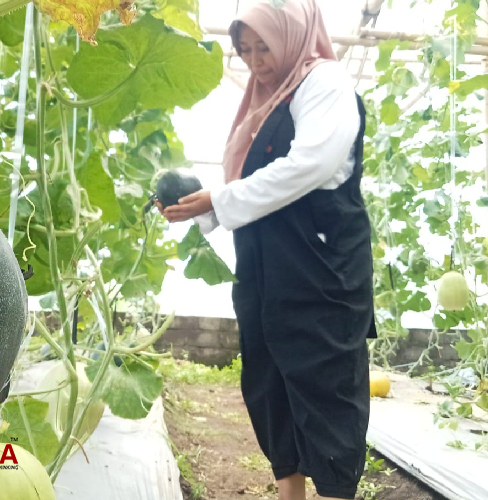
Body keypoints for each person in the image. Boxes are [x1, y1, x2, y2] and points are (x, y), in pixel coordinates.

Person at [157, 1, 378, 499]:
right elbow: (252, 184)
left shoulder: (325, 84)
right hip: (266, 264)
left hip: (320, 267)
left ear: (293, 36)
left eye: (265, 47)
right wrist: (203, 208)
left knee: (325, 386)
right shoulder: (267, 98)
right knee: (269, 378)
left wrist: (220, 199)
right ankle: (289, 494)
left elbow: (310, 166)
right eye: (246, 50)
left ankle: (335, 493)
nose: (257, 61)